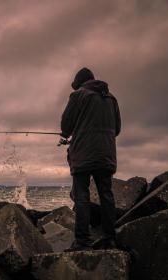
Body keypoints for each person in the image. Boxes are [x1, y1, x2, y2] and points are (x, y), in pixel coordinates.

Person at [60, 67, 121, 251]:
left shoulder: (78, 96)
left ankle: (82, 241)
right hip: (106, 155)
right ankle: (110, 239)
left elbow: (66, 125)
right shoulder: (111, 98)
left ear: (79, 84)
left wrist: (68, 135)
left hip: (83, 155)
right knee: (107, 196)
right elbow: (117, 129)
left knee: (82, 196)